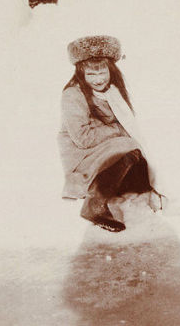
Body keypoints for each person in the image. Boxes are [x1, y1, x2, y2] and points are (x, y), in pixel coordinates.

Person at [58, 35, 162, 232]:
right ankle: (94, 205)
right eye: (91, 74)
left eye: (102, 73)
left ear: (111, 70)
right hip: (83, 154)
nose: (98, 80)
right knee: (128, 148)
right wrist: (117, 131)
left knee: (140, 170)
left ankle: (128, 197)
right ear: (81, 74)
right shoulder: (73, 94)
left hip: (106, 146)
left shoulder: (112, 91)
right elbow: (83, 137)